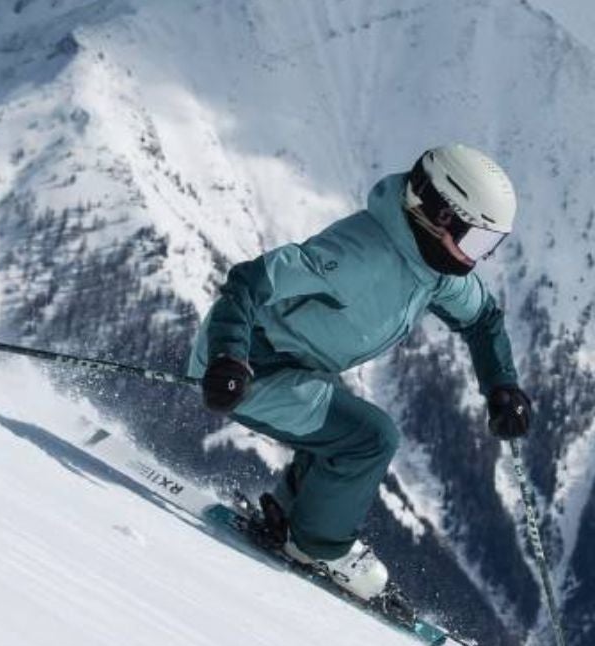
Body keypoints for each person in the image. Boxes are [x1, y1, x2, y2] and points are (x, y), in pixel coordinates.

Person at [188, 143, 532, 599]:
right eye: (477, 240)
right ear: (441, 216)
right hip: (249, 365)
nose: (479, 257)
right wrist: (229, 356)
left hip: (300, 365)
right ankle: (317, 548)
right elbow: (249, 281)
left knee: (342, 427)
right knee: (370, 438)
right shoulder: (357, 254)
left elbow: (483, 319)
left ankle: (290, 520)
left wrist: (501, 384)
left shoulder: (436, 271)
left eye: (491, 245)